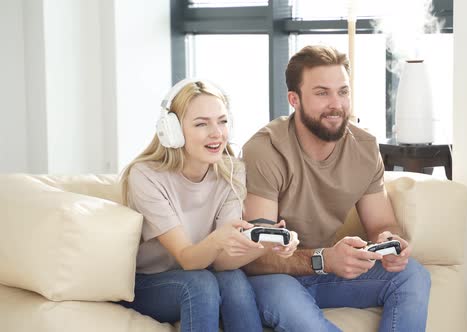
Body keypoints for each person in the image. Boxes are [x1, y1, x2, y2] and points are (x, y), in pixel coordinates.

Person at [241, 45, 432, 332]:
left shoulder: (365, 147)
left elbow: (381, 222)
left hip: (327, 274)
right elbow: (258, 256)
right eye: (322, 93)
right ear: (294, 99)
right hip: (274, 276)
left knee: (413, 275)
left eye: (343, 91)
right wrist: (323, 259)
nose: (336, 104)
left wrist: (391, 241)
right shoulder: (265, 150)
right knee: (290, 303)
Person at [118, 79, 299, 332]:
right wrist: (218, 240)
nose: (217, 133)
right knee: (200, 283)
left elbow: (222, 261)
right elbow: (187, 259)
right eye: (202, 123)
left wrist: (268, 244)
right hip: (150, 283)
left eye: (222, 121)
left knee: (233, 279)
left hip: (202, 272)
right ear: (173, 130)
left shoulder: (231, 171)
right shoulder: (146, 176)